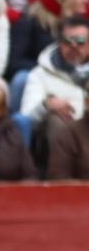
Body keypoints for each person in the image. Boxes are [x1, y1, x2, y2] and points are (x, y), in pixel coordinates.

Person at [20, 14, 89, 160]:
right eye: (67, 41)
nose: (73, 46)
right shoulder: (40, 74)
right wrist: (47, 105)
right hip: (59, 142)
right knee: (56, 120)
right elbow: (26, 118)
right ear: (59, 43)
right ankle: (62, 180)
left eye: (81, 41)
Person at [7, 0, 89, 80]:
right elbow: (14, 63)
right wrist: (52, 71)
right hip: (40, 83)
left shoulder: (83, 25)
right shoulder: (29, 22)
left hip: (77, 83)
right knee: (21, 78)